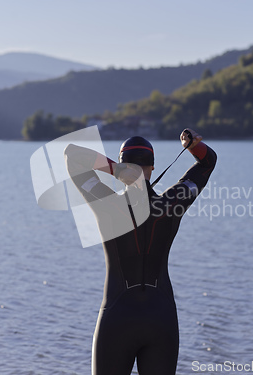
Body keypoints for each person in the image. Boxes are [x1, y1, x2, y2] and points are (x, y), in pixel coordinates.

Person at [64, 128, 217, 375]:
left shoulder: (107, 204)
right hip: (162, 317)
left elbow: (71, 155)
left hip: (117, 317)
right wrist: (193, 146)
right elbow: (209, 162)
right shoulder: (173, 203)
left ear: (123, 166)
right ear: (153, 168)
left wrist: (117, 171)